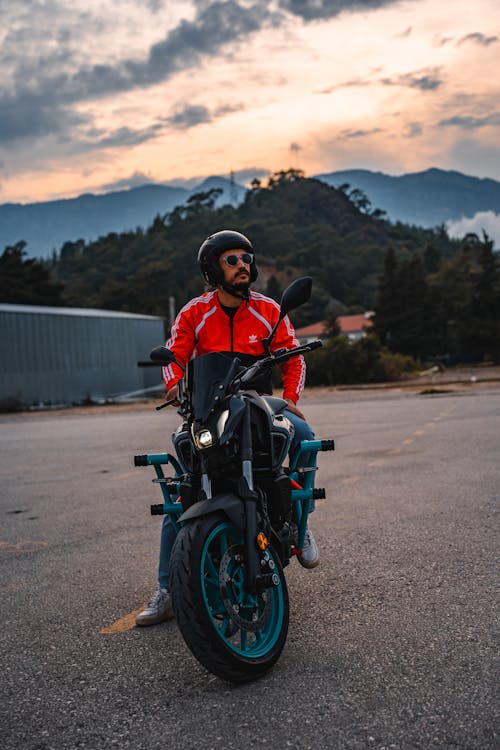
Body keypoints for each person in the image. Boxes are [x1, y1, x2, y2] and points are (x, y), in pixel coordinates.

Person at [136, 230, 319, 626]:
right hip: (211, 406)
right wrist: (176, 388)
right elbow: (175, 355)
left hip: (261, 402)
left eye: (246, 259)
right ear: (212, 270)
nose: (243, 266)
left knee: (303, 438)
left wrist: (291, 399)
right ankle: (169, 589)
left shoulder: (270, 309)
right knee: (183, 487)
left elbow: (294, 358)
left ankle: (299, 522)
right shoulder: (193, 312)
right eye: (232, 260)